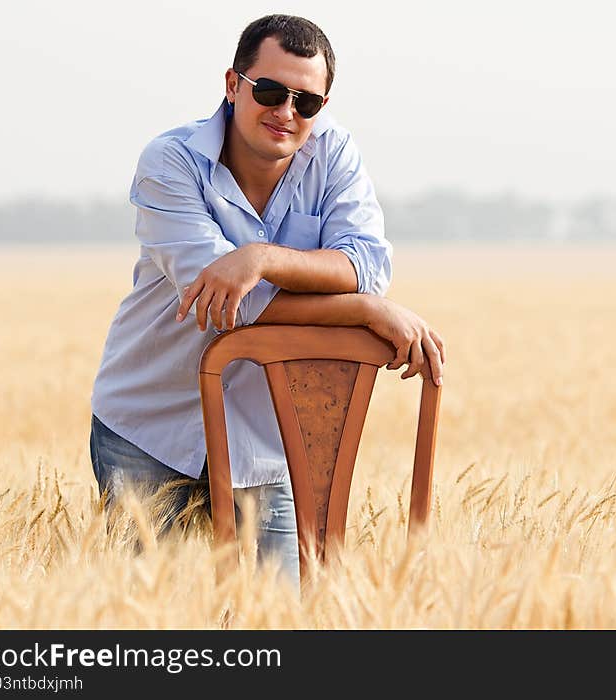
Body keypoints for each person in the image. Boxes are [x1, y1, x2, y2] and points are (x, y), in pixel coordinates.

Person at [89, 14, 445, 590]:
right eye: (271, 92)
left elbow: (368, 266)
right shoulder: (170, 161)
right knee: (153, 620)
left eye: (307, 102)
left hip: (268, 437)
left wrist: (261, 258)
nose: (287, 112)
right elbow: (228, 305)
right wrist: (364, 310)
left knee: (279, 623)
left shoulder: (333, 156)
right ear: (233, 85)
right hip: (150, 424)